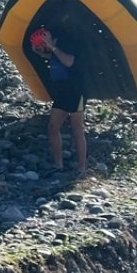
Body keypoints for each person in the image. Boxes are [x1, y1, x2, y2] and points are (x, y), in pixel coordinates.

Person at [29, 27, 86, 178]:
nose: (44, 48)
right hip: (62, 92)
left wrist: (52, 47)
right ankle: (58, 164)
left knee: (77, 129)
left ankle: (81, 168)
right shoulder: (51, 50)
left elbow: (68, 61)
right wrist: (40, 53)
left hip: (76, 90)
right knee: (53, 127)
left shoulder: (65, 42)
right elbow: (53, 59)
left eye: (42, 45)